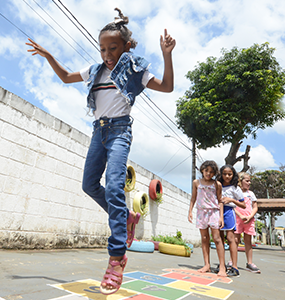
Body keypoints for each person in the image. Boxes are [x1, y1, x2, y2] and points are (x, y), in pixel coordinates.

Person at [26, 8, 175, 295]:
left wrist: (166, 54)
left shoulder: (134, 70)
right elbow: (67, 77)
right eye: (103, 48)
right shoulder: (95, 71)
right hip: (99, 131)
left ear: (126, 46)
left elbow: (167, 86)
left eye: (113, 48)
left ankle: (116, 259)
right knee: (89, 185)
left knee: (115, 188)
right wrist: (48, 57)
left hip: (120, 131)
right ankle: (128, 219)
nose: (107, 53)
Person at [187, 160, 226, 277]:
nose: (208, 173)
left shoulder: (217, 184)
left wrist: (221, 217)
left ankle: (222, 267)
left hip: (213, 212)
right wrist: (190, 211)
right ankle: (206, 265)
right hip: (201, 212)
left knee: (217, 238)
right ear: (202, 170)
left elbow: (220, 201)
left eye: (211, 172)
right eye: (206, 171)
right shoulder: (196, 182)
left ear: (214, 173)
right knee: (204, 238)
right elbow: (193, 197)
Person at [216, 165, 246, 277]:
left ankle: (235, 266)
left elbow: (243, 205)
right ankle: (222, 265)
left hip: (229, 212)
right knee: (219, 239)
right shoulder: (217, 186)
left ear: (233, 175)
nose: (227, 176)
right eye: (224, 174)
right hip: (218, 212)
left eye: (229, 174)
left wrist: (231, 200)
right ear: (221, 174)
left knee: (230, 238)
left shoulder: (235, 188)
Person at [234, 172, 260, 273]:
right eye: (247, 181)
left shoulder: (251, 194)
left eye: (250, 181)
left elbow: (255, 207)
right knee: (235, 241)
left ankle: (249, 263)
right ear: (240, 181)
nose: (249, 183)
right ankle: (232, 261)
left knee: (248, 241)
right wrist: (240, 215)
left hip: (249, 220)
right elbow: (232, 206)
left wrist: (250, 216)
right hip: (237, 219)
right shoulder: (236, 192)